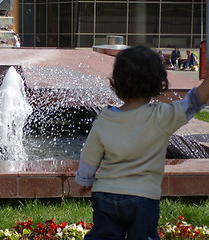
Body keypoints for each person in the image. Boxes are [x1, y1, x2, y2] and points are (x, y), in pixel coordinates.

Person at [75, 45, 209, 240]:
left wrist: (85, 180)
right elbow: (194, 102)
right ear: (158, 82)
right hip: (143, 196)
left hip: (106, 194)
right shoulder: (162, 117)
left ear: (117, 82)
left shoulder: (105, 118)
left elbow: (90, 154)